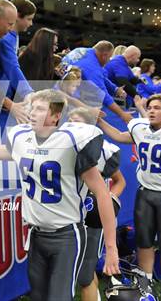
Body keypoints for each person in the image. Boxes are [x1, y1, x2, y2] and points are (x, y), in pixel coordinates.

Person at [0, 90, 120, 300]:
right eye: (32, 108)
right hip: (36, 236)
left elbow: (102, 193)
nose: (32, 113)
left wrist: (111, 248)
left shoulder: (72, 141)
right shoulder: (22, 138)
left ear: (56, 116)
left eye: (39, 108)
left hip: (67, 235)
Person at [97, 95, 161, 301]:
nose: (151, 111)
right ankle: (146, 287)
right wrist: (99, 120)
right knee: (143, 242)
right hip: (145, 193)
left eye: (157, 108)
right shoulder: (140, 128)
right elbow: (117, 135)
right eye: (150, 107)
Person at [68, 108, 126, 301]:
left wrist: (106, 200)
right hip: (67, 216)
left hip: (90, 218)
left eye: (77, 122)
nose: (72, 126)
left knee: (85, 274)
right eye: (70, 121)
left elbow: (120, 181)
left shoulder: (103, 149)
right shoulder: (60, 143)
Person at [62, 41, 133, 123]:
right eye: (109, 57)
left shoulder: (82, 51)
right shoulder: (92, 67)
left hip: (61, 91)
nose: (108, 61)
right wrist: (122, 114)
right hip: (66, 102)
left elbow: (102, 77)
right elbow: (103, 95)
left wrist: (115, 89)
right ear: (104, 55)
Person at [0, 0, 36, 101]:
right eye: (29, 19)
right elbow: (12, 67)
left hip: (3, 92)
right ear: (18, 16)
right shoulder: (6, 39)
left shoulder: (14, 36)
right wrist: (27, 92)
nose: (31, 23)